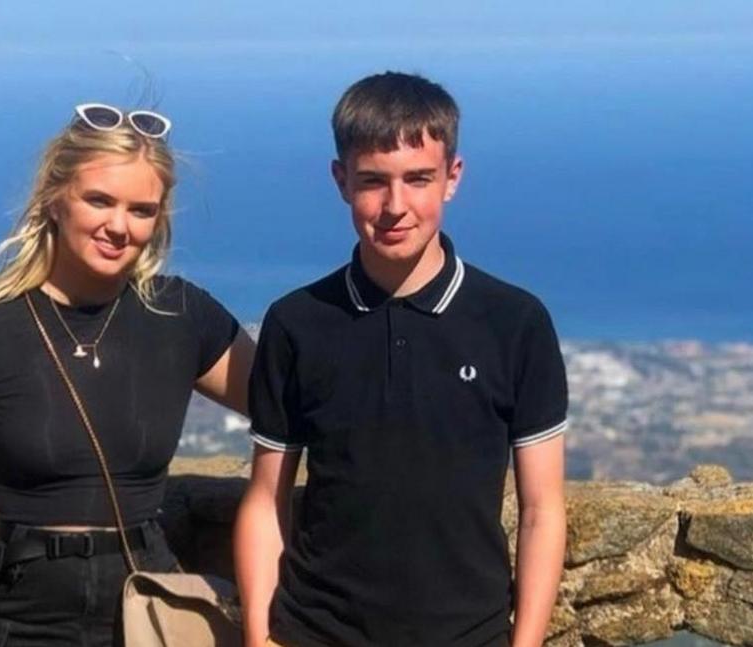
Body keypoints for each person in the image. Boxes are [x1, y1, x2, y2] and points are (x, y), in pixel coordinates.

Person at [234, 72, 568, 647]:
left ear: (452, 178)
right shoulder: (298, 322)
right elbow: (266, 499)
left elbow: (542, 509)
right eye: (373, 181)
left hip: (469, 635)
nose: (396, 206)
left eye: (418, 179)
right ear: (341, 180)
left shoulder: (514, 322)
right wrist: (261, 639)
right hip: (316, 633)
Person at [0, 102, 255, 646]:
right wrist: (24, 534)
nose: (119, 226)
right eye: (99, 200)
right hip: (21, 613)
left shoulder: (182, 317)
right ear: (54, 199)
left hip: (146, 600)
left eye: (141, 210)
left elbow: (287, 405)